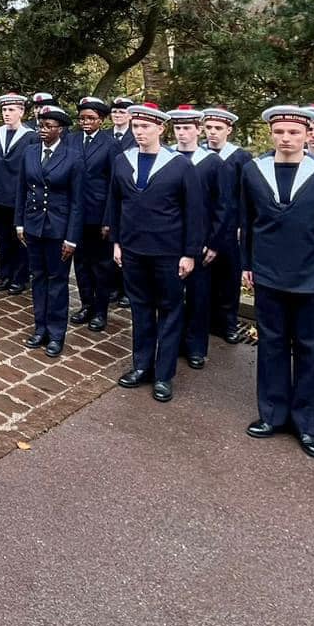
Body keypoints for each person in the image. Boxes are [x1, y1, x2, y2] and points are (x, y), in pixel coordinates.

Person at [240, 105, 314, 459]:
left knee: (311, 350)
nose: (286, 138)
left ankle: (309, 425)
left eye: (293, 132)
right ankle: (272, 414)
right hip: (269, 274)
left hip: (313, 278)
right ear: (271, 134)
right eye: (280, 132)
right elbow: (247, 221)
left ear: (307, 135)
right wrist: (246, 264)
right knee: (271, 345)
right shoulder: (253, 170)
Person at [106, 102, 205, 403]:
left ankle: (163, 375)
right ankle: (141, 366)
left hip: (168, 252)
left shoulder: (179, 165)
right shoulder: (123, 161)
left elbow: (194, 213)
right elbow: (115, 204)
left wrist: (189, 253)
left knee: (171, 311)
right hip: (133, 249)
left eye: (146, 127)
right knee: (140, 308)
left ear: (161, 128)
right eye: (136, 126)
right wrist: (117, 242)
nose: (139, 132)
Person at [168, 105, 236, 371]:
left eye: (188, 128)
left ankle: (196, 347)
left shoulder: (212, 162)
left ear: (198, 130)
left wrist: (214, 242)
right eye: (178, 128)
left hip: (201, 242)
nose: (183, 133)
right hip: (171, 239)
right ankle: (172, 344)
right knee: (171, 297)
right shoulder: (167, 157)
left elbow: (223, 206)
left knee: (198, 297)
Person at [16, 105, 82, 357]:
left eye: (48, 126)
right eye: (40, 125)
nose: (42, 131)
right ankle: (40, 327)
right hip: (33, 226)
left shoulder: (73, 157)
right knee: (38, 278)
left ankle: (56, 334)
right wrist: (20, 223)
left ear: (61, 130)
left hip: (58, 230)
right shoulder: (30, 152)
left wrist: (72, 239)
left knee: (57, 282)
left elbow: (77, 202)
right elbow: (21, 190)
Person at [201, 107, 252, 343]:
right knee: (204, 277)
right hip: (204, 226)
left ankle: (228, 323)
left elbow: (246, 194)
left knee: (229, 278)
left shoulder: (240, 157)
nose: (212, 132)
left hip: (231, 229)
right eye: (209, 127)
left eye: (218, 128)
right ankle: (206, 321)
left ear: (228, 130)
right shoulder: (199, 155)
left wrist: (243, 224)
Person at [70, 97, 119, 332]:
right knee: (80, 263)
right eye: (82, 118)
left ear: (101, 120)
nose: (86, 122)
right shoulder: (71, 140)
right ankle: (86, 304)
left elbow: (113, 184)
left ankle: (101, 311)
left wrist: (109, 219)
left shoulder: (110, 144)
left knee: (101, 265)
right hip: (75, 213)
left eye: (91, 118)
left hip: (98, 214)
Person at [0, 93, 36, 295]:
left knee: (20, 239)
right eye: (4, 110)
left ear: (22, 112)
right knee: (2, 238)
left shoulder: (31, 136)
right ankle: (4, 275)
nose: (7, 114)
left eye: (11, 110)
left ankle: (20, 277)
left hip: (19, 197)